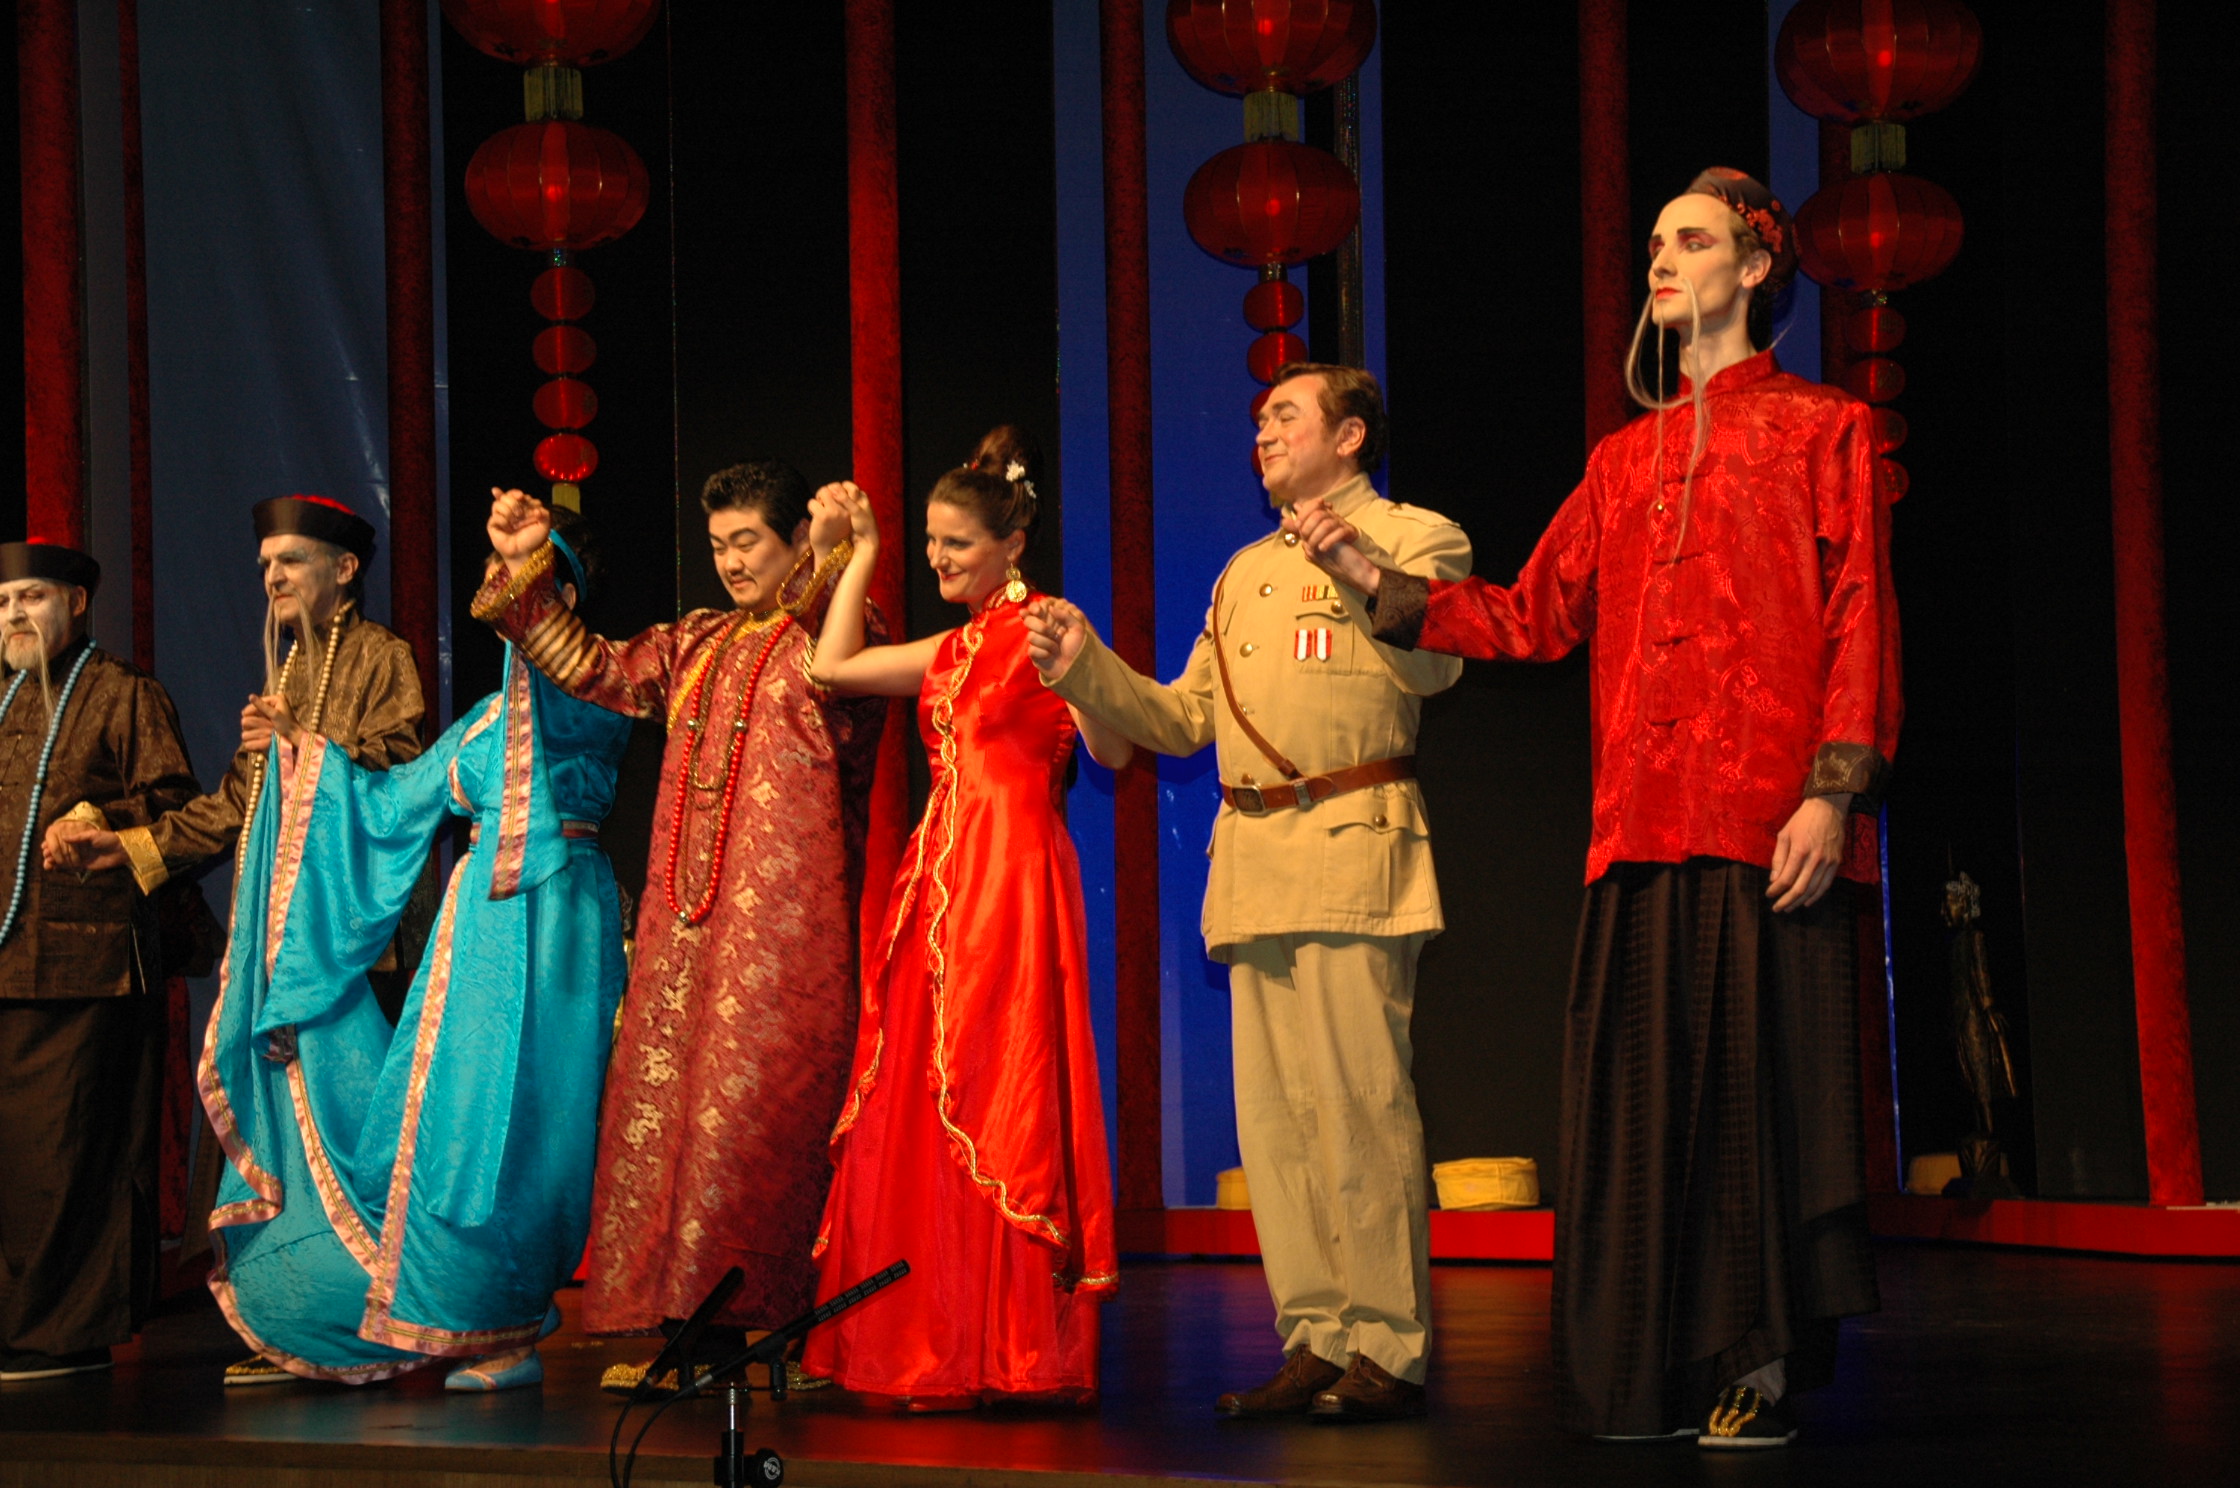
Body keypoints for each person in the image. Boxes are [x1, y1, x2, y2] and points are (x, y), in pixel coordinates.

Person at [1290, 169, 1900, 1448]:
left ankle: (1755, 1361)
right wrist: (1364, 571)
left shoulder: (1820, 427)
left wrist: (1831, 790)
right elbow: (1529, 615)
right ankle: (1655, 1367)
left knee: (1750, 1101)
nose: (1661, 261)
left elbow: (1858, 613)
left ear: (1753, 267)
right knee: (1645, 1108)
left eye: (1692, 241)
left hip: (1762, 818)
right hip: (1638, 819)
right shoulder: (1622, 461)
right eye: (1656, 243)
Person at [1024, 366, 1470, 1421]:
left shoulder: (1415, 536)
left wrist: (1351, 565)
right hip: (1255, 865)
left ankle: (1387, 1344)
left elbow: (1438, 664)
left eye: (1285, 416)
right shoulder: (1243, 571)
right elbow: (1182, 720)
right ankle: (1315, 1335)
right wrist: (1086, 665)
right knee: (1278, 1123)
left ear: (1349, 435)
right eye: (1259, 419)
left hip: (1352, 845)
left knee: (1361, 1107)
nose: (1261, 432)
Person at [195, 511, 632, 1390]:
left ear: (560, 597)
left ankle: (507, 1326)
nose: (507, 599)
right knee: (445, 1124)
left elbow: (543, 684)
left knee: (516, 1128)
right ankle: (453, 1312)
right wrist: (301, 750)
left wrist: (528, 589)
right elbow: (392, 803)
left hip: (551, 920)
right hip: (478, 928)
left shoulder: (594, 689)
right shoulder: (485, 717)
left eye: (528, 583)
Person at [477, 464, 885, 1389]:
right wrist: (526, 562)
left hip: (786, 932)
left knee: (757, 1119)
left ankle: (765, 1334)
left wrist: (834, 555)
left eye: (749, 542)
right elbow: (594, 669)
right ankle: (693, 1334)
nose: (732, 562)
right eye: (718, 546)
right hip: (686, 921)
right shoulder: (696, 639)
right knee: (667, 1120)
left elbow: (833, 633)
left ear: (793, 540)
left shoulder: (838, 627)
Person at [43, 494, 427, 1387]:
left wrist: (303, 743)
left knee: (357, 1144)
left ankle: (383, 1325)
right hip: (275, 950)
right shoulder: (287, 668)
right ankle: (293, 1327)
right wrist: (126, 846)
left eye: (290, 561)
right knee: (275, 1143)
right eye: (264, 566)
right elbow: (231, 810)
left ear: (345, 569)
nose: (273, 578)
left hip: (353, 949)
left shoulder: (383, 658)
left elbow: (404, 778)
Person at [800, 430, 1126, 1409]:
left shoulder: (1046, 630)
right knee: (915, 1095)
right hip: (940, 877)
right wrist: (862, 552)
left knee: (1002, 1087)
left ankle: (1013, 1343)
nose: (939, 558)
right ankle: (928, 1335)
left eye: (958, 544)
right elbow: (831, 666)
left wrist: (1079, 670)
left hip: (1012, 878)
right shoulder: (952, 648)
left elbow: (1113, 752)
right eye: (932, 542)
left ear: (1011, 544)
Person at [0, 542, 202, 1382]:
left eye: (32, 596)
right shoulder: (3, 700)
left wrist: (102, 825)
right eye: (4, 601)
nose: (14, 614)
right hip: (9, 964)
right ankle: (18, 1322)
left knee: (73, 1153)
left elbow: (177, 808)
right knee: (17, 1162)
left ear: (77, 603)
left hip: (92, 966)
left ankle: (68, 1334)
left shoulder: (124, 694)